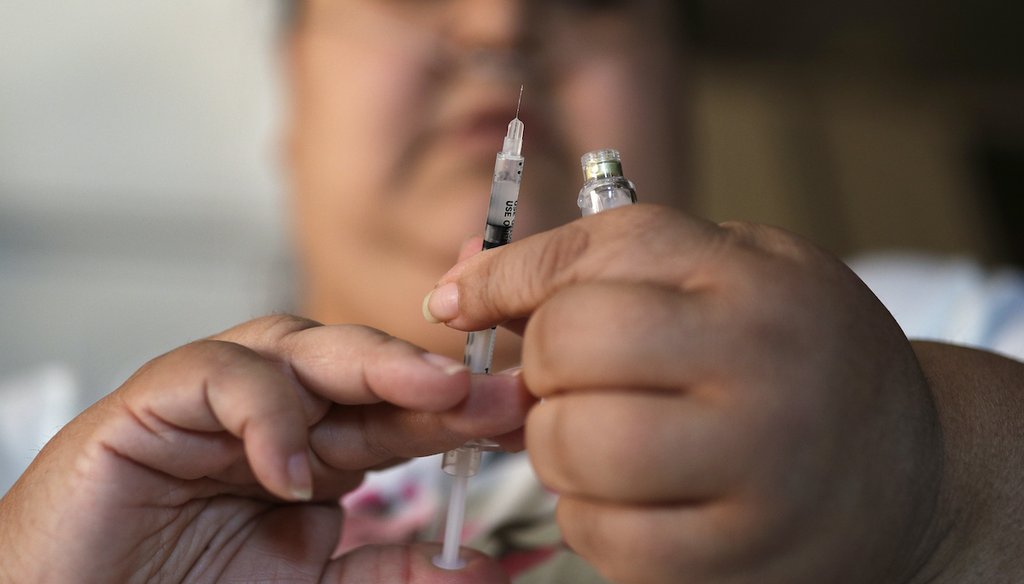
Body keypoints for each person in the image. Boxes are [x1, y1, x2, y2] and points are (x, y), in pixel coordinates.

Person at [2, 0, 1023, 582]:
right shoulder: (55, 461)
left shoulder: (914, 339)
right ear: (291, 104)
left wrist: (934, 474)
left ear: (682, 90)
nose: (501, 21)